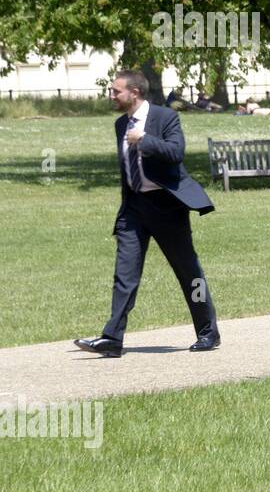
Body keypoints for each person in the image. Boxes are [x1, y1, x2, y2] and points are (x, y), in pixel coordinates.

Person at [73, 70, 221, 358]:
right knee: (124, 274)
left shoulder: (164, 118)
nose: (112, 95)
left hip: (166, 207)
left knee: (188, 271)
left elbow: (176, 153)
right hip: (134, 209)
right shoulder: (120, 124)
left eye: (116, 91)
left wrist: (144, 140)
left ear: (135, 93)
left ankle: (208, 332)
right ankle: (112, 338)